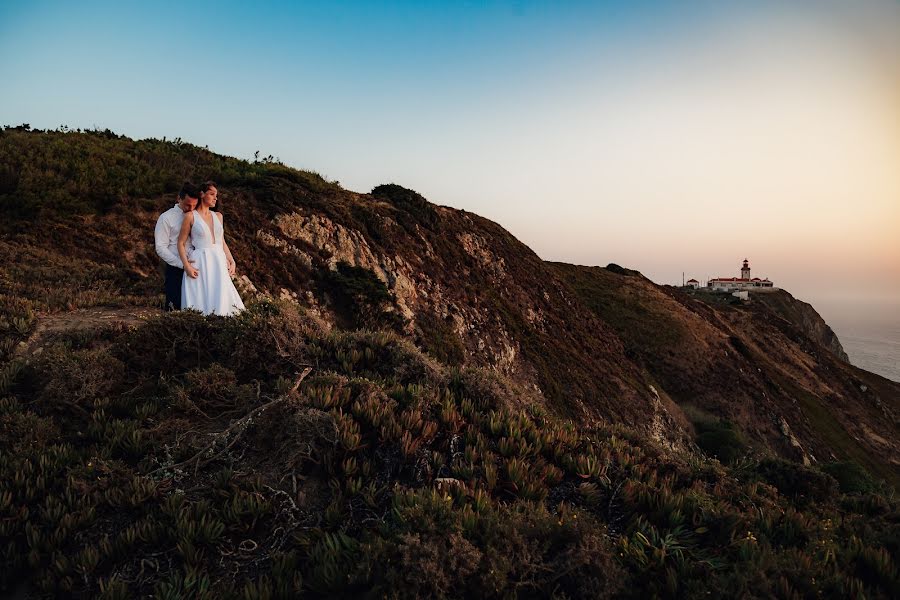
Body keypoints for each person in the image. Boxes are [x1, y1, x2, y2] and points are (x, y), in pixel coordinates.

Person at [177, 181, 245, 316]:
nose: (215, 198)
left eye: (216, 195)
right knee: (201, 302)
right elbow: (180, 243)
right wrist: (186, 266)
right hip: (200, 262)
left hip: (219, 261)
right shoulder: (190, 216)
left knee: (223, 298)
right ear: (202, 194)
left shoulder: (218, 216)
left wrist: (232, 261)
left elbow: (222, 241)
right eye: (212, 194)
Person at [154, 182, 199, 310]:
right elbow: (160, 247)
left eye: (194, 205)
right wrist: (182, 264)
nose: (190, 208)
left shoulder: (197, 216)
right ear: (179, 198)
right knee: (174, 305)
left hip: (198, 266)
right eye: (187, 205)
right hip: (175, 268)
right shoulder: (166, 218)